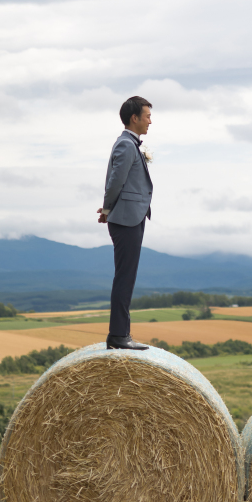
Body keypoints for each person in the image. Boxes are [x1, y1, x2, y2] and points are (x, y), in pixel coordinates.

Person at [97, 95, 154, 350]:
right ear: (135, 118)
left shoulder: (130, 144)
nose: (150, 121)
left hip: (131, 216)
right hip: (127, 218)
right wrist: (107, 208)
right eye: (147, 116)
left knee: (126, 277)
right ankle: (119, 335)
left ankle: (122, 333)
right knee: (125, 277)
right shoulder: (126, 145)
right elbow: (115, 182)